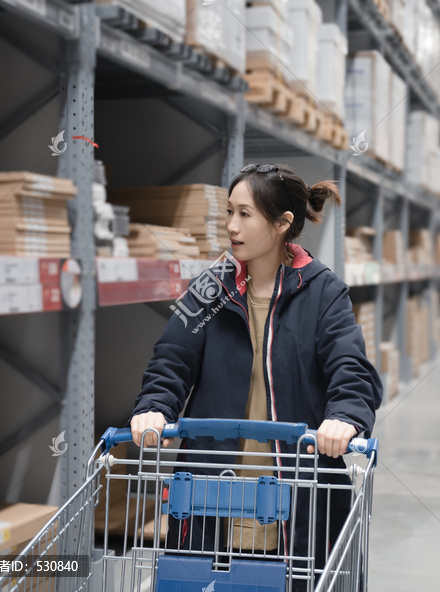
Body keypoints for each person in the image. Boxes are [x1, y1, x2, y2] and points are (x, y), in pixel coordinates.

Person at [128, 163, 384, 589]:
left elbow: (350, 368)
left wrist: (345, 415)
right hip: (213, 490)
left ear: (283, 223)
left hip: (297, 494)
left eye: (245, 214)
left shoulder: (323, 291)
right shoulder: (210, 288)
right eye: (229, 212)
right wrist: (154, 407)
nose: (232, 226)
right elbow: (170, 359)